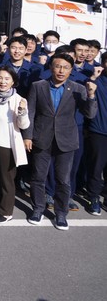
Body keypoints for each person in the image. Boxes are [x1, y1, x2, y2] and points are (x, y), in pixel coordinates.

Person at [26, 53, 97, 230]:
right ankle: (38, 209)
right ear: (51, 67)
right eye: (58, 66)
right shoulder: (38, 86)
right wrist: (27, 136)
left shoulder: (78, 88)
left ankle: (61, 213)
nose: (61, 70)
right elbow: (30, 112)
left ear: (71, 70)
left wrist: (91, 95)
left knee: (63, 180)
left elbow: (89, 114)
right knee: (38, 177)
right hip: (41, 137)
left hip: (66, 139)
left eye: (65, 67)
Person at [0, 66, 30, 224]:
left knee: (6, 179)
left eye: (7, 79)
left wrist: (22, 111)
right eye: (0, 78)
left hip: (8, 146)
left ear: (13, 81)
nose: (3, 82)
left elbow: (24, 125)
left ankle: (6, 211)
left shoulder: (18, 99)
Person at [86, 59, 107, 215]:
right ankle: (93, 198)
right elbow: (86, 91)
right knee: (96, 167)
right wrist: (93, 77)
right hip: (99, 131)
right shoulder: (97, 81)